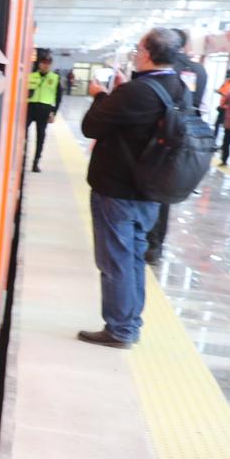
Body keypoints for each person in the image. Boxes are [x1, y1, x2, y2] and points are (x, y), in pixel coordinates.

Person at [76, 28, 187, 349]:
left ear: (148, 54)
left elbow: (91, 126)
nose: (136, 53)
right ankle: (129, 321)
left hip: (118, 188)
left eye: (139, 48)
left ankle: (121, 328)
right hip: (150, 188)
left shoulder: (138, 92)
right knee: (133, 257)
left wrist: (100, 96)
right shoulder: (178, 87)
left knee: (116, 261)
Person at [142, 29, 210, 266]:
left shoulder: (160, 67)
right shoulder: (199, 71)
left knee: (145, 188)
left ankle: (147, 240)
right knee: (165, 193)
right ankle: (156, 245)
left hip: (155, 136)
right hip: (184, 139)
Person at [27, 52, 60, 172]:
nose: (46, 65)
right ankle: (23, 158)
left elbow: (58, 97)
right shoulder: (30, 76)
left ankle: (35, 163)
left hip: (44, 110)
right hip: (30, 108)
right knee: (23, 136)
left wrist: (54, 113)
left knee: (40, 137)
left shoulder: (55, 78)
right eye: (43, 63)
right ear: (39, 64)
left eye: (48, 63)